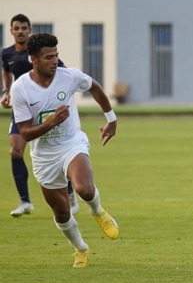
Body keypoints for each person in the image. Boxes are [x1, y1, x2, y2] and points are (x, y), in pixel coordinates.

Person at [10, 33, 120, 268]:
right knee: (61, 212)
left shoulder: (69, 76)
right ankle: (81, 249)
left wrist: (111, 118)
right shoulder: (20, 89)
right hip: (43, 155)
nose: (55, 61)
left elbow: (94, 86)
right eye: (49, 57)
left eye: (56, 56)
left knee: (84, 188)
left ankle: (98, 210)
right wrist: (52, 122)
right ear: (34, 60)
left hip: (71, 142)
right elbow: (26, 133)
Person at [1, 13, 79, 217]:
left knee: (59, 149)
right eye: (16, 28)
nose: (20, 31)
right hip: (23, 110)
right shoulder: (6, 54)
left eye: (24, 28)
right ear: (11, 31)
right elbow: (7, 72)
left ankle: (70, 191)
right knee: (15, 151)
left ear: (29, 30)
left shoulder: (41, 52)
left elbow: (63, 74)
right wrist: (6, 92)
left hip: (45, 111)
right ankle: (25, 201)